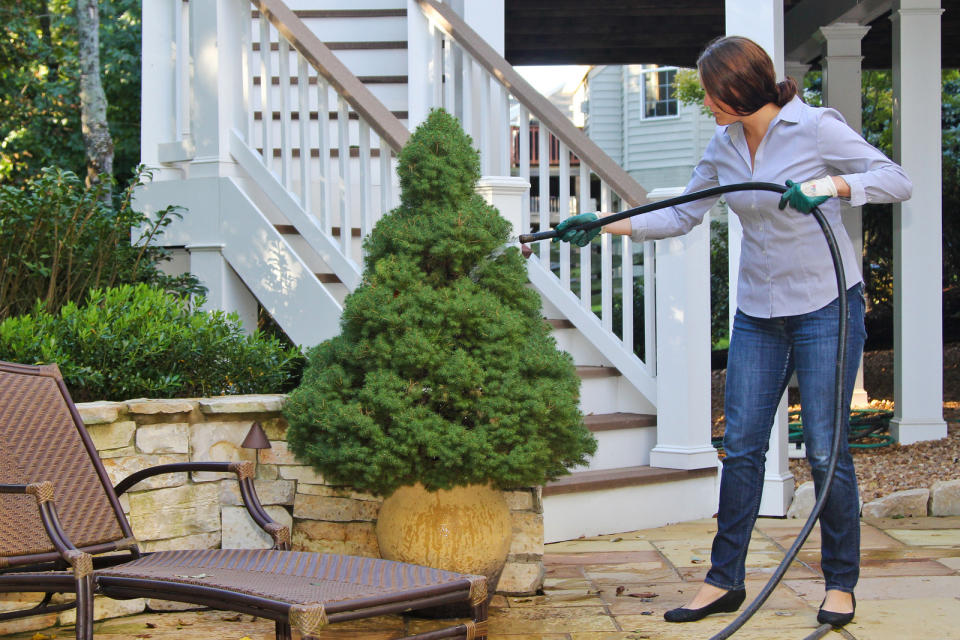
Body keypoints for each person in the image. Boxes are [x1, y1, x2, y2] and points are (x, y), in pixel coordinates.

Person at [554, 35, 912, 627]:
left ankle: (840, 583)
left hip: (827, 306)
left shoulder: (816, 128)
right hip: (759, 312)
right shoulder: (723, 147)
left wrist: (831, 186)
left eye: (713, 92)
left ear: (740, 88)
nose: (708, 103)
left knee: (825, 449)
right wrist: (605, 224)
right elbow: (680, 213)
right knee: (742, 445)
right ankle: (723, 581)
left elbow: (895, 178)